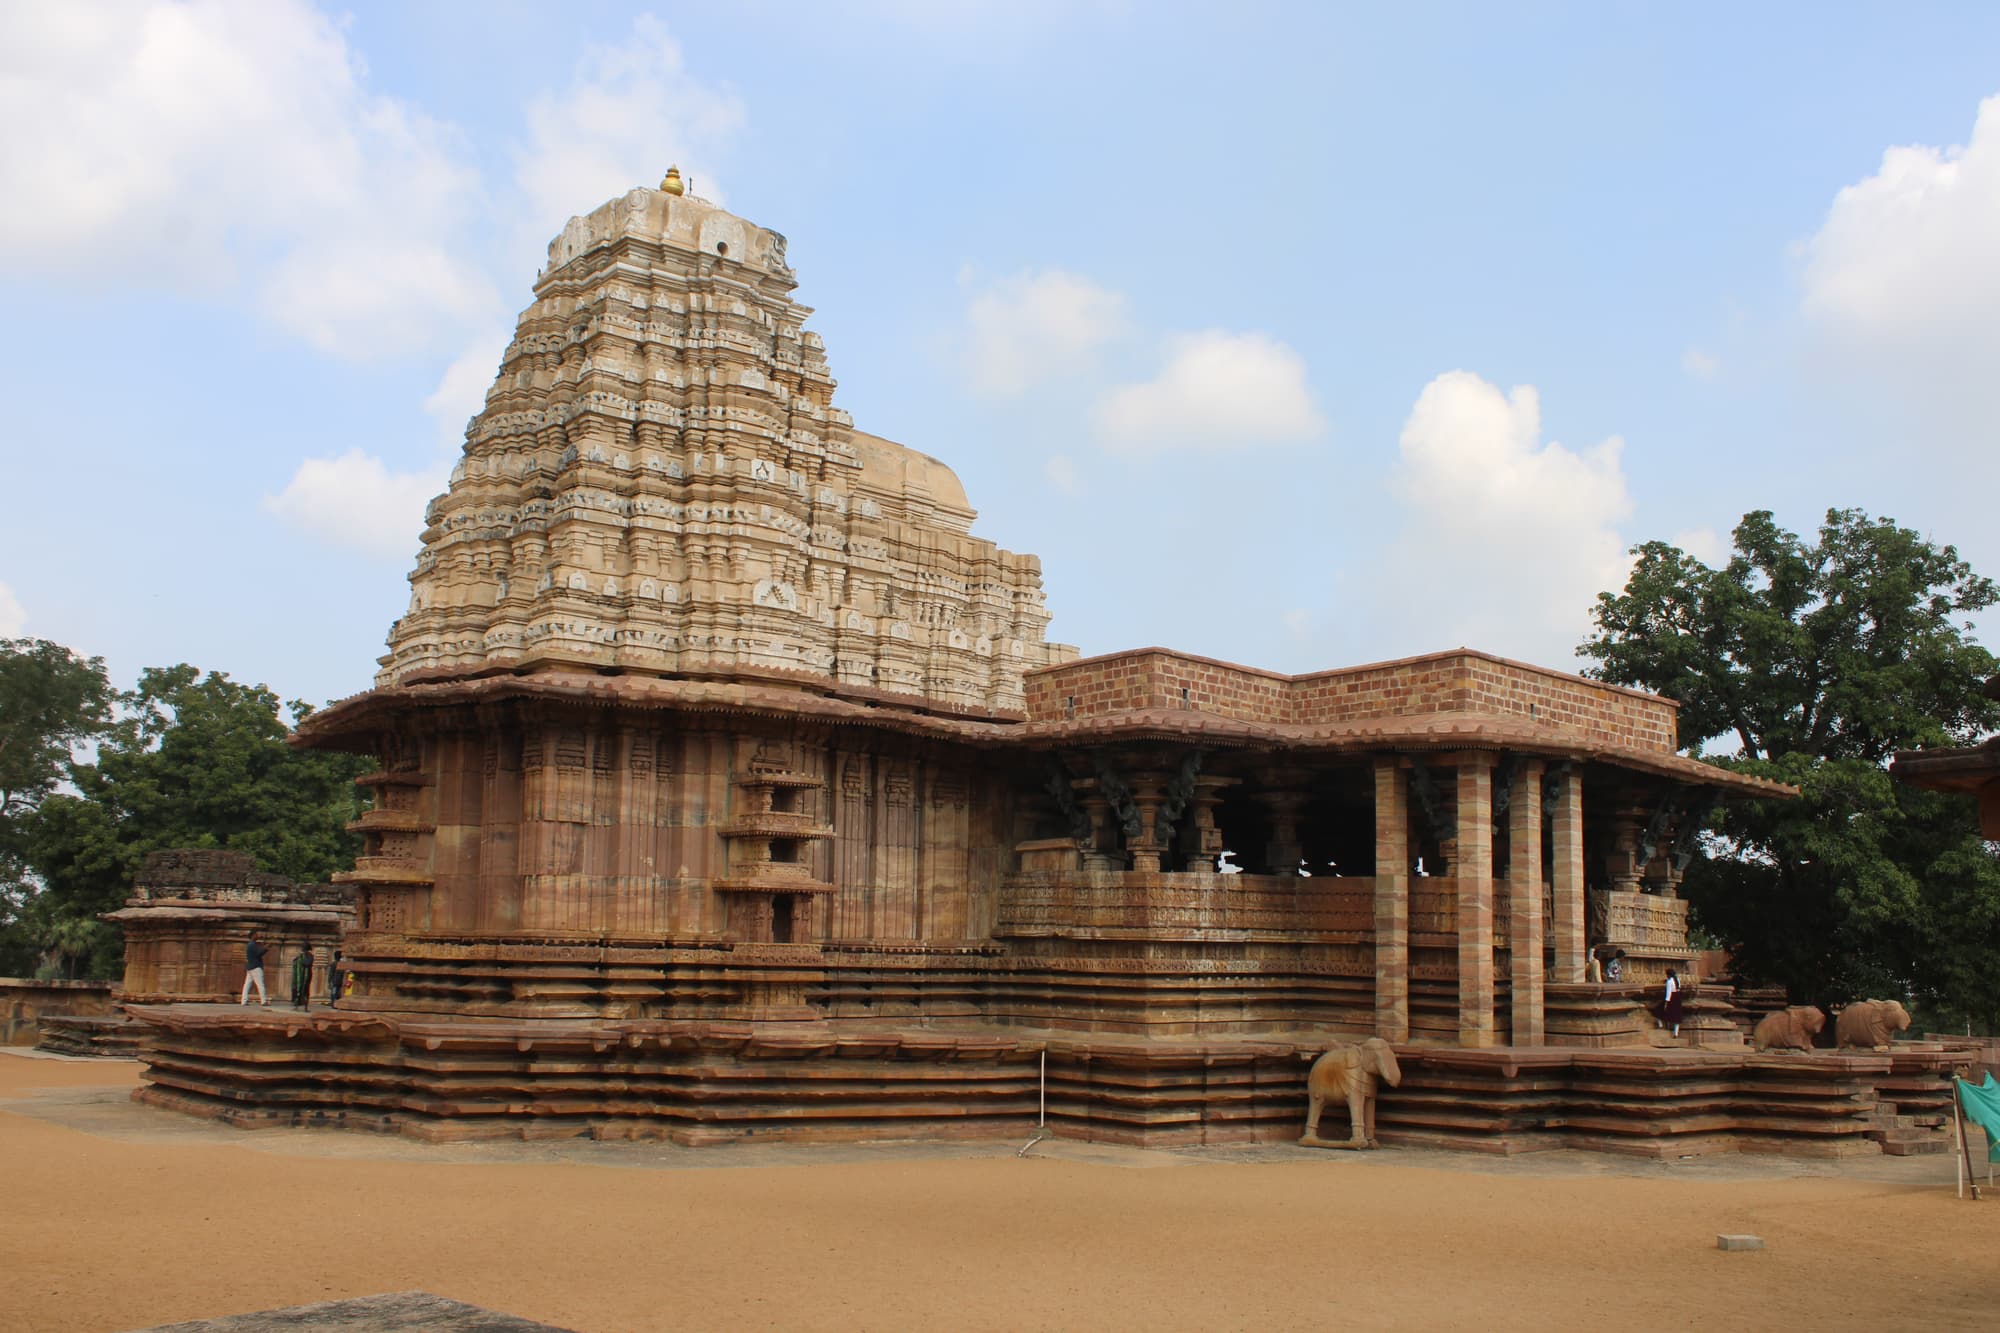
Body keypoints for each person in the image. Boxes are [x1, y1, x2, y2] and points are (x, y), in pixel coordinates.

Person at [1654, 967, 1684, 1037]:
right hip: (1678, 997)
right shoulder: (1677, 980)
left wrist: (1666, 1002)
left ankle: (1660, 1025)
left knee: (1657, 1011)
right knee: (1677, 1016)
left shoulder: (1669, 981)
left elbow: (1668, 992)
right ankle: (1676, 1033)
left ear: (1668, 975)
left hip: (1672, 998)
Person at [240, 932, 268, 1005]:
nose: (258, 936)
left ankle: (244, 1001)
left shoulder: (250, 945)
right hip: (256, 967)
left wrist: (264, 948)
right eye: (256, 934)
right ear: (252, 936)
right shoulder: (252, 945)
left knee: (247, 985)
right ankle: (264, 1001)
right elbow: (258, 954)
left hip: (250, 967)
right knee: (260, 984)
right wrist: (265, 948)